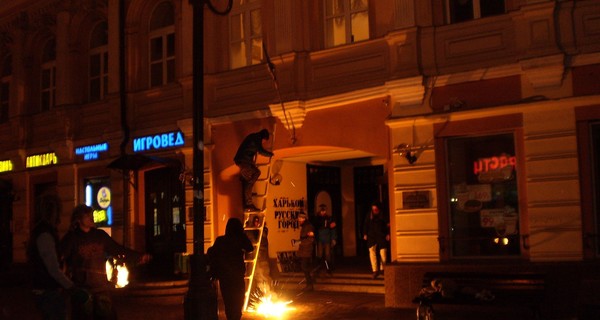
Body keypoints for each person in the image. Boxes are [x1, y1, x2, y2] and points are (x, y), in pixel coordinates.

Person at [59, 204, 151, 320]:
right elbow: (59, 258)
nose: (91, 217)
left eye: (91, 214)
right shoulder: (72, 238)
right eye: (87, 215)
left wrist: (138, 257)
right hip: (82, 291)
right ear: (78, 219)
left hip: (101, 289)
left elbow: (117, 249)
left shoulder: (100, 235)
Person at [27, 194, 75, 320]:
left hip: (47, 290)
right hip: (48, 291)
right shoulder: (44, 234)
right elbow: (52, 267)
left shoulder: (45, 231)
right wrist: (70, 286)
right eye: (58, 211)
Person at [207, 218, 254, 320]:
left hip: (225, 278)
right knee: (238, 302)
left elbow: (211, 252)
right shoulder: (239, 240)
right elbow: (250, 247)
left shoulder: (220, 240)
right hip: (237, 277)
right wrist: (243, 235)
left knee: (229, 303)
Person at [234, 129, 274, 212]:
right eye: (264, 141)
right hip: (243, 161)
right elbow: (260, 150)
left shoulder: (253, 137)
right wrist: (270, 154)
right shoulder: (256, 139)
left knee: (250, 178)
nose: (263, 143)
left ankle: (248, 197)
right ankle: (248, 203)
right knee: (252, 177)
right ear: (263, 138)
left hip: (243, 160)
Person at [245, 215, 272, 296]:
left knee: (265, 276)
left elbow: (262, 241)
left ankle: (268, 294)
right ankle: (259, 295)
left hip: (262, 258)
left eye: (258, 221)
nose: (257, 223)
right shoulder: (251, 232)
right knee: (256, 278)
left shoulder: (263, 231)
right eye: (255, 221)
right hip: (254, 258)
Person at [362, 201, 390, 279]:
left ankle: (383, 269)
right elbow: (365, 224)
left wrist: (388, 233)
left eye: (375, 208)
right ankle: (375, 270)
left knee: (383, 252)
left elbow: (387, 224)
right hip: (372, 236)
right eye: (373, 208)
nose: (374, 210)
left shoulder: (382, 214)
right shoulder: (369, 214)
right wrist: (365, 234)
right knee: (372, 252)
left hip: (381, 235)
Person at [313, 204, 337, 276]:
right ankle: (319, 269)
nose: (323, 212)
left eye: (324, 211)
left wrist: (333, 238)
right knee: (320, 255)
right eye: (322, 211)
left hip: (327, 239)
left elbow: (333, 229)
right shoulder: (317, 219)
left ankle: (328, 269)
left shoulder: (329, 218)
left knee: (327, 255)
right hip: (320, 239)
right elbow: (314, 229)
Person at [296, 213, 315, 291]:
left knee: (305, 267)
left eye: (300, 219)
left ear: (303, 219)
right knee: (304, 267)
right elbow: (304, 238)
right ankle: (309, 284)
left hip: (307, 251)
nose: (298, 220)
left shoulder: (308, 227)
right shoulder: (304, 227)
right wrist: (298, 242)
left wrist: (300, 242)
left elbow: (310, 239)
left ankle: (309, 285)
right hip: (304, 251)